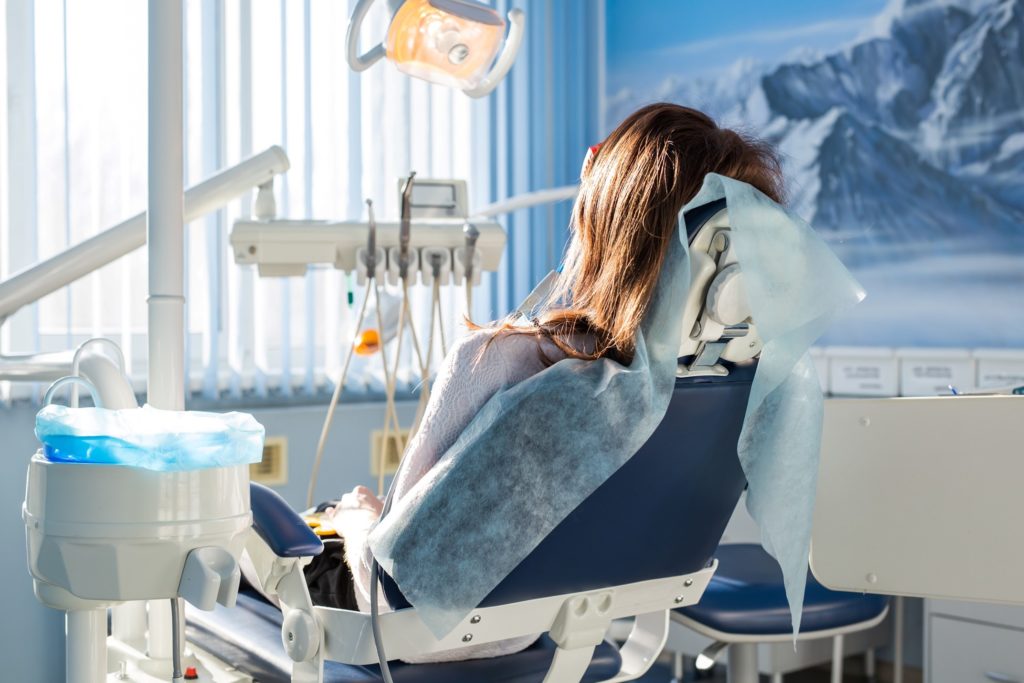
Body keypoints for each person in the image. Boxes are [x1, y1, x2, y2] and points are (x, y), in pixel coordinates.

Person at [313, 102, 784, 662]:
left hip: (392, 640)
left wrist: (359, 521)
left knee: (263, 527)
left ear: (603, 223)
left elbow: (391, 591)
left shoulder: (499, 359)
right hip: (539, 638)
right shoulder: (730, 390)